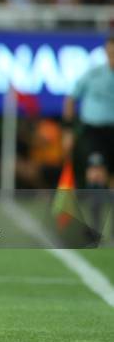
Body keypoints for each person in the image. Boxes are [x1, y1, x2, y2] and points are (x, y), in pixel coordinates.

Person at [62, 34, 114, 235]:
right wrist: (68, 129)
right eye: (110, 52)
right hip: (94, 132)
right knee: (95, 173)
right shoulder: (92, 75)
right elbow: (70, 99)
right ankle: (94, 225)